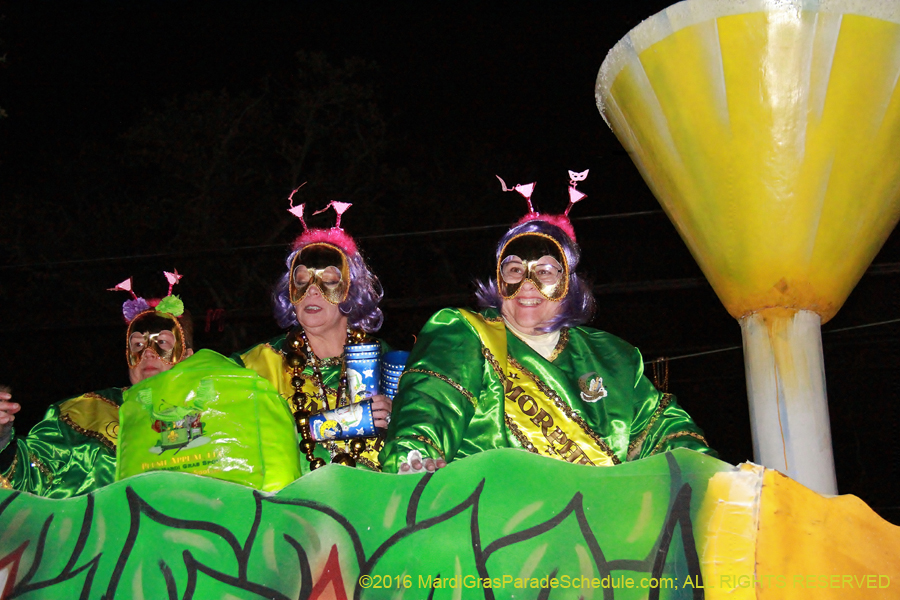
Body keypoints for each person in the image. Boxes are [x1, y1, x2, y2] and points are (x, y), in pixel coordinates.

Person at [380, 171, 714, 473]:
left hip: (598, 530)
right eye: (514, 270)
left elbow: (665, 433)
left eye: (544, 271)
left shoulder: (615, 358)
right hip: (492, 524)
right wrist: (416, 455)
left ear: (568, 282)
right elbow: (432, 403)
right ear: (498, 281)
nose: (527, 283)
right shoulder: (464, 333)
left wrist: (705, 474)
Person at [233, 198, 392, 472]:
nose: (313, 291)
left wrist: (397, 414)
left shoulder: (383, 359)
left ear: (351, 292)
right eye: (302, 280)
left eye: (329, 281)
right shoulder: (257, 364)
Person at [0, 272, 194, 496]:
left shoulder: (216, 412)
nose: (148, 353)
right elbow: (27, 479)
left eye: (161, 343)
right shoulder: (81, 415)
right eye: (138, 344)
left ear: (187, 356)